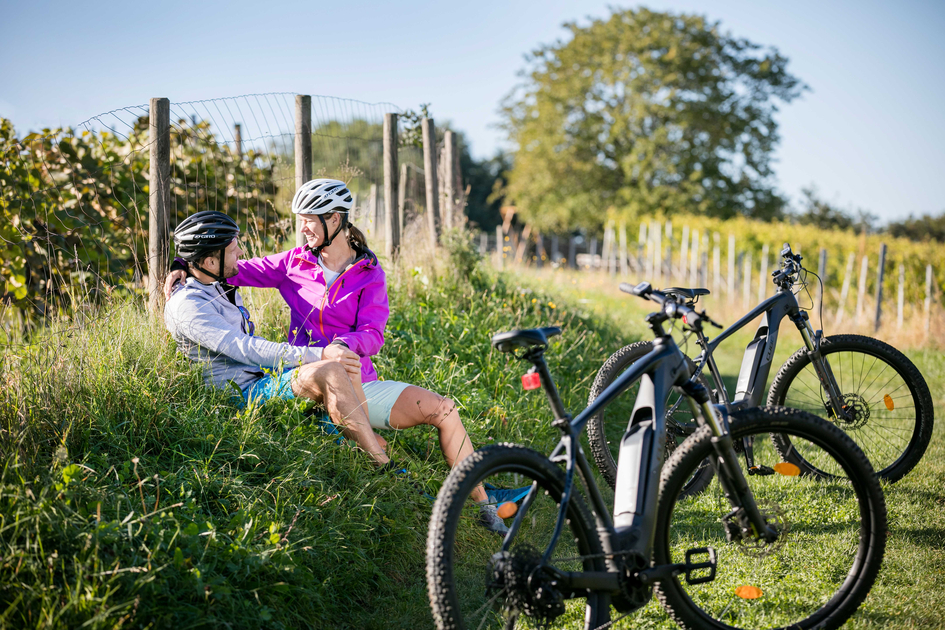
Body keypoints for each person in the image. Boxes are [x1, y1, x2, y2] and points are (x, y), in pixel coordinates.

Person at [165, 184, 516, 533]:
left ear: (334, 220)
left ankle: (484, 505)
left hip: (359, 375)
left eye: (308, 221)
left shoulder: (369, 273)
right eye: (300, 220)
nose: (301, 229)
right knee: (362, 420)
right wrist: (182, 264)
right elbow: (228, 266)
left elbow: (373, 334)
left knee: (444, 409)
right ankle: (403, 485)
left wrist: (343, 344)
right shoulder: (293, 262)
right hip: (312, 372)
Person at [164, 210, 389, 467]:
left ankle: (377, 461)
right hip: (241, 396)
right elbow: (244, 347)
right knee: (331, 371)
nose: (241, 254)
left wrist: (180, 263)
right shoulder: (188, 305)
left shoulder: (217, 284)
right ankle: (383, 465)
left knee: (365, 434)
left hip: (262, 381)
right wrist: (322, 354)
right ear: (211, 262)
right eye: (235, 248)